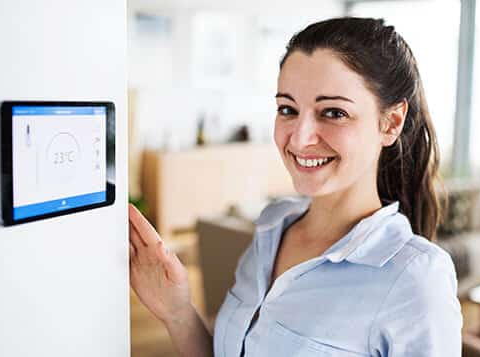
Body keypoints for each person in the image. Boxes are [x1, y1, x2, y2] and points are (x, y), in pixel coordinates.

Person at [128, 17, 462, 357]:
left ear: (390, 123)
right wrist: (177, 310)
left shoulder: (416, 279)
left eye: (333, 112)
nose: (300, 139)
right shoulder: (272, 228)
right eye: (287, 109)